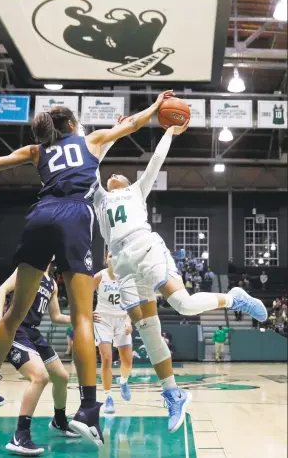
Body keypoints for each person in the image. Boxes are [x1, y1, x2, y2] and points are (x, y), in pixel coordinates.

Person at [0, 92, 173, 446]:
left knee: (15, 312)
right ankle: (89, 409)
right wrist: (156, 107)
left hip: (40, 215)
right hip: (73, 216)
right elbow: (132, 124)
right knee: (82, 315)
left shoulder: (38, 151)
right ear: (71, 126)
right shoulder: (90, 140)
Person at [93, 123, 268, 433]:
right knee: (148, 332)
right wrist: (116, 131)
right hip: (121, 264)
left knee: (184, 304)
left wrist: (168, 134)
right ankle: (173, 393)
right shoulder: (100, 198)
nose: (113, 174)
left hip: (144, 247)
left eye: (119, 174)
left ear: (128, 181)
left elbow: (156, 161)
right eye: (111, 174)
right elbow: (93, 159)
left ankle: (234, 297)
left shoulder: (136, 190)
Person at [0, 263, 77, 455]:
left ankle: (59, 421)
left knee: (62, 377)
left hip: (33, 333)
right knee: (39, 377)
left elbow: (56, 317)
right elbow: (1, 291)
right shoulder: (28, 268)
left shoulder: (52, 285)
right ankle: (20, 435)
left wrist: (80, 317)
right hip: (15, 330)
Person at [93, 252, 133, 414]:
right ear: (106, 259)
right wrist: (88, 312)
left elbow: (131, 302)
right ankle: (108, 397)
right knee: (107, 358)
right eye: (110, 255)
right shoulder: (99, 276)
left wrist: (129, 320)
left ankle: (123, 381)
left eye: (115, 255)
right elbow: (83, 293)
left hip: (122, 318)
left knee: (127, 361)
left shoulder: (126, 278)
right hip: (103, 319)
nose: (113, 258)